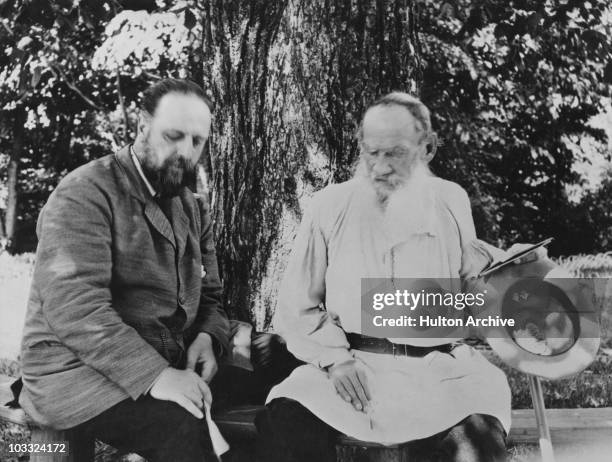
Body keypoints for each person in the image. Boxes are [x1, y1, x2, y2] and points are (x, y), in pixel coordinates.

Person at [257, 92, 536, 462]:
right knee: (284, 422)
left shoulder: (451, 200)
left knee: (475, 444)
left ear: (428, 148)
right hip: (353, 368)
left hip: (441, 375)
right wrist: (334, 359)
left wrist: (516, 273)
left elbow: (470, 287)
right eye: (371, 152)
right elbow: (296, 305)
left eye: (395, 153)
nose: (380, 168)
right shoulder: (330, 206)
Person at [19, 78, 229, 462]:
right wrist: (157, 377)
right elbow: (77, 311)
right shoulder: (85, 193)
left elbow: (210, 296)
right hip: (75, 372)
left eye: (197, 142)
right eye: (173, 135)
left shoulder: (193, 206)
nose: (185, 152)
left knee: (277, 397)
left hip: (165, 359)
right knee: (180, 425)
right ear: (141, 127)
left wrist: (207, 339)